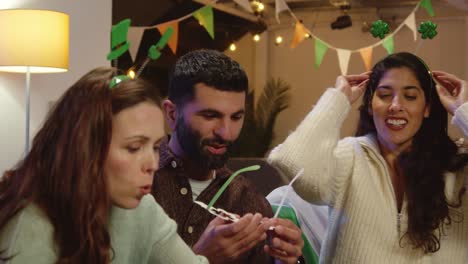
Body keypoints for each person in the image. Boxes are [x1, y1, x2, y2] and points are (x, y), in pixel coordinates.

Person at [268, 52, 468, 263]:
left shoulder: (457, 168)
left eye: (410, 96)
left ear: (426, 108)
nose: (395, 106)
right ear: (371, 106)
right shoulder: (350, 157)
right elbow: (293, 163)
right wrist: (337, 99)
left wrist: (463, 110)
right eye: (384, 95)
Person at [0, 67, 208, 263]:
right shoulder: (30, 227)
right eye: (134, 147)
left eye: (155, 147)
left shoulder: (142, 209)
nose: (152, 164)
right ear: (85, 148)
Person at [152, 49, 304, 264]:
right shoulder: (136, 185)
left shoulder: (248, 201)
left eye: (236, 117)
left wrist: (289, 260)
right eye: (210, 115)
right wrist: (201, 260)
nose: (226, 133)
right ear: (172, 114)